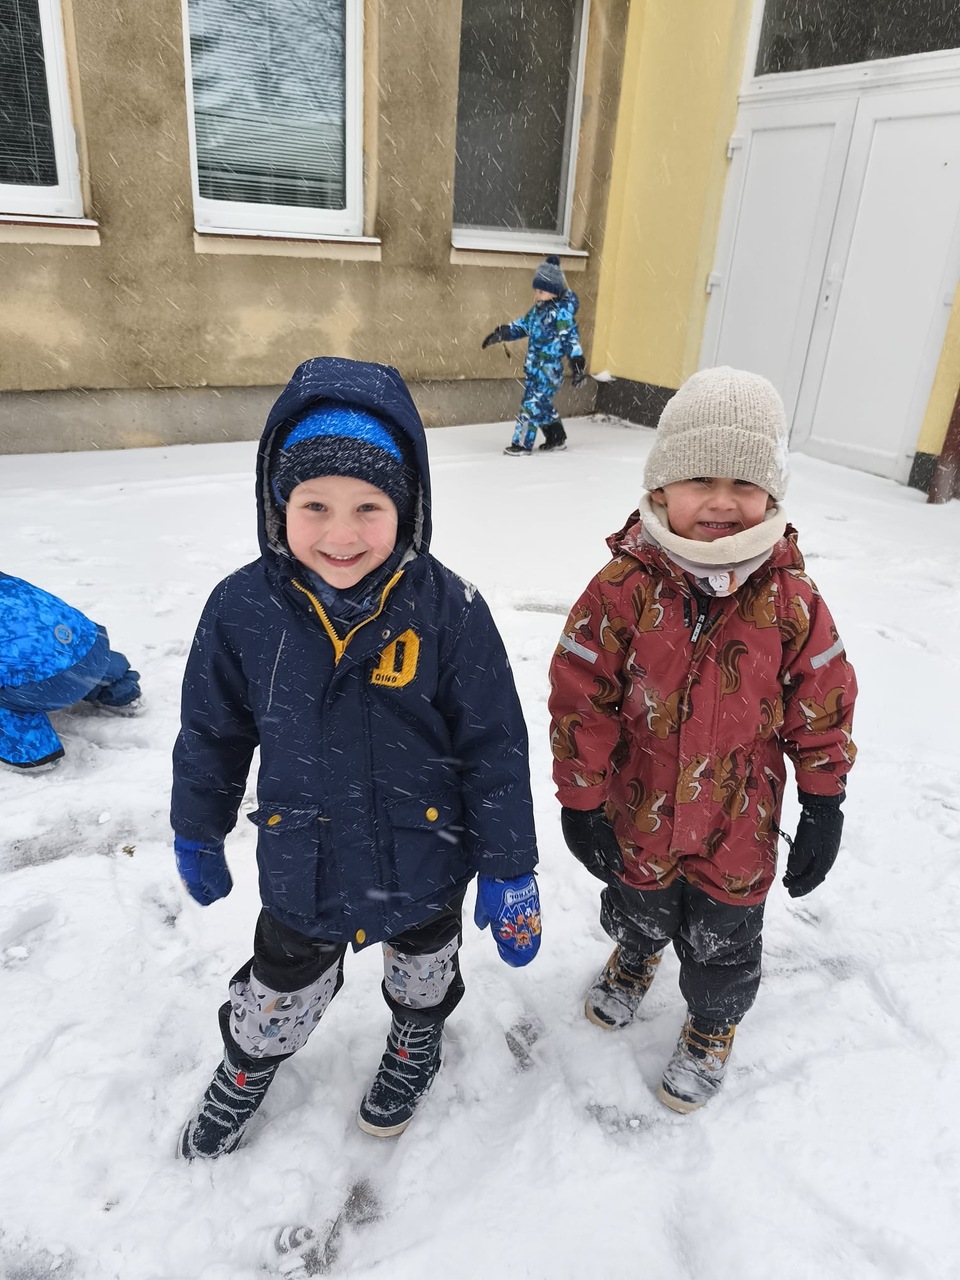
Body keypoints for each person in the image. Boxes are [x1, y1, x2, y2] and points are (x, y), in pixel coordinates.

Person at [172, 356, 541, 1161]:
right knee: (282, 978)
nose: (341, 536)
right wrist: (197, 826)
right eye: (315, 506)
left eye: (369, 507)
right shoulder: (242, 610)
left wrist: (511, 864)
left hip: (425, 848)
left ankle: (416, 1040)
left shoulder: (450, 611)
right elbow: (212, 730)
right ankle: (250, 1060)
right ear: (278, 505)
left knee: (424, 965)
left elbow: (493, 746)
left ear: (408, 507)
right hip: (304, 853)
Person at [547, 366, 857, 1113]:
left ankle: (713, 1023)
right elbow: (582, 698)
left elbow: (823, 704)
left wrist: (824, 803)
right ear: (661, 490)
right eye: (699, 480)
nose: (722, 501)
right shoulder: (622, 588)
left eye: (744, 483)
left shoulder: (791, 598)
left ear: (772, 497)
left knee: (726, 933)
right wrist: (580, 800)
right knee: (637, 900)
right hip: (639, 803)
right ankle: (636, 954)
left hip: (739, 818)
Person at [0, 572, 141, 772]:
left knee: (30, 666)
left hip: (47, 684)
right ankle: (120, 688)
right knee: (57, 649)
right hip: (94, 650)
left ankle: (31, 750)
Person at [482, 254, 586, 455]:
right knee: (542, 405)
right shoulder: (538, 311)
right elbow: (523, 326)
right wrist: (503, 332)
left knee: (530, 405)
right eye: (536, 291)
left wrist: (577, 362)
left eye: (540, 291)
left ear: (554, 291)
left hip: (549, 371)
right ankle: (556, 437)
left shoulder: (561, 314)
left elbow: (570, 339)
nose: (536, 295)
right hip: (535, 369)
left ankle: (521, 444)